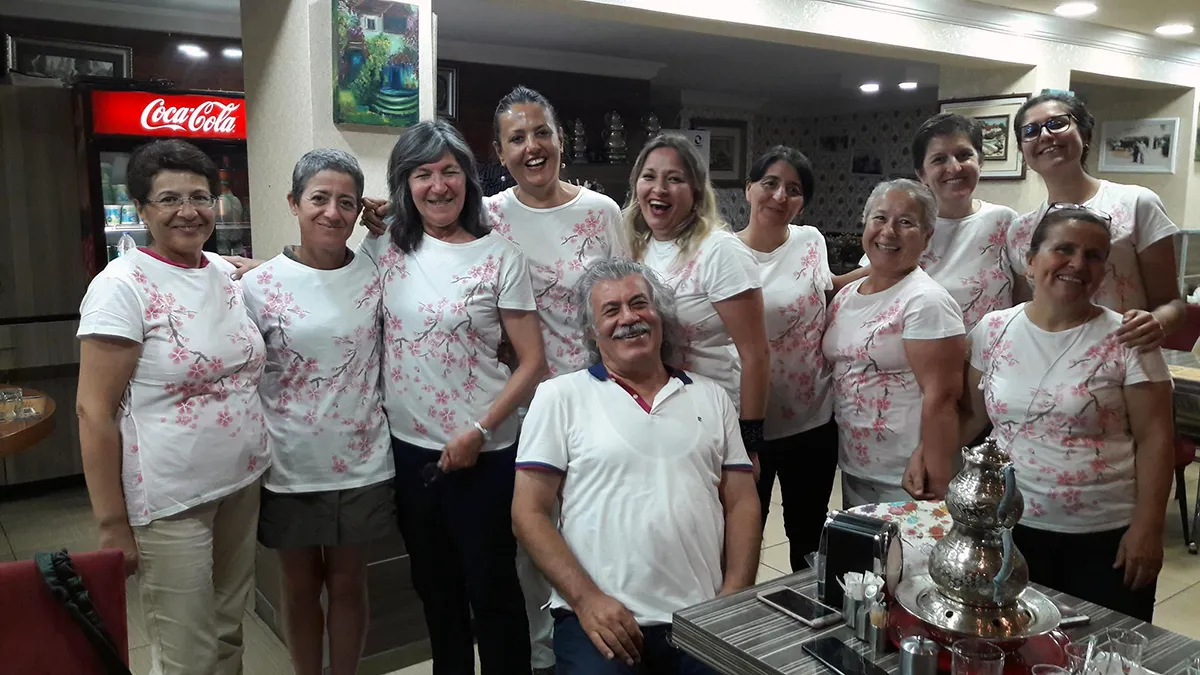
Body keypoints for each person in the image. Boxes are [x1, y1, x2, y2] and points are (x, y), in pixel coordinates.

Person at [512, 258, 761, 673]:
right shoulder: (560, 397)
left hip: (700, 618)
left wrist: (734, 595)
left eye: (639, 304)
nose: (628, 318)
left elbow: (742, 502)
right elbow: (527, 513)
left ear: (660, 316)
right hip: (597, 620)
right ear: (592, 331)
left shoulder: (711, 396)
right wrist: (587, 601)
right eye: (611, 310)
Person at [360, 119, 546, 675]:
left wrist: (480, 431)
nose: (438, 186)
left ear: (468, 178)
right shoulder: (384, 247)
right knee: (435, 589)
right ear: (404, 183)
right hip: (410, 450)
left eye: (449, 171)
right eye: (422, 174)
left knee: (492, 589)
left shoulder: (500, 255)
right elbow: (333, 288)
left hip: (486, 451)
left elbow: (532, 362)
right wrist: (262, 272)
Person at [75, 139, 267, 675]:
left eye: (200, 197)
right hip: (169, 502)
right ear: (141, 209)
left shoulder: (223, 273)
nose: (188, 211)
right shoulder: (120, 287)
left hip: (242, 483)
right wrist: (112, 523)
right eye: (169, 199)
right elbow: (93, 412)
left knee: (228, 630)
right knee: (188, 653)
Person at [960, 205, 1174, 622]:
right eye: (1064, 249)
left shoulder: (1128, 337)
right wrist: (927, 460)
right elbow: (971, 418)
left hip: (1103, 533)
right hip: (1007, 527)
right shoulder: (993, 329)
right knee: (1013, 641)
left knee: (1102, 646)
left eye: (1094, 256)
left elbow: (1156, 438)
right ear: (1030, 260)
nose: (1078, 264)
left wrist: (1148, 528)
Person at [241, 149, 393, 675]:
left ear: (359, 210)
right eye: (319, 199)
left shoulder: (376, 272)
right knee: (300, 585)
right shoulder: (257, 285)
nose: (332, 212)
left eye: (346, 202)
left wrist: (389, 212)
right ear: (294, 203)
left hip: (363, 460)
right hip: (289, 462)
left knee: (349, 582)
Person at [622, 133, 770, 459]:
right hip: (657, 416)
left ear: (696, 192)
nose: (659, 189)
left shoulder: (720, 251)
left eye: (674, 179)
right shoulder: (635, 247)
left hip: (713, 418)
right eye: (649, 177)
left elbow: (756, 355)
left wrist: (750, 443)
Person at [822, 179, 966, 506]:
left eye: (905, 222)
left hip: (909, 472)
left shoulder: (926, 302)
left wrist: (935, 469)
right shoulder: (847, 296)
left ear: (927, 236)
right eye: (880, 218)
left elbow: (943, 398)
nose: (889, 231)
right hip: (856, 464)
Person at [1008, 92, 1183, 351]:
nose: (1044, 135)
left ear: (1085, 135)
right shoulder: (1021, 230)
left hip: (1123, 356)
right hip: (1048, 360)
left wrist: (1157, 322)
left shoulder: (1137, 203)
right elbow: (1025, 310)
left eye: (1057, 123)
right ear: (1023, 152)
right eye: (1031, 131)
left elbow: (1172, 303)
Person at [735, 146, 839, 571]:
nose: (780, 196)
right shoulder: (722, 253)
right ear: (749, 189)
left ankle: (808, 611)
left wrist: (887, 271)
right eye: (770, 183)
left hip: (812, 420)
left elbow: (829, 288)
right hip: (747, 426)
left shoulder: (810, 240)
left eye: (794, 190)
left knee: (809, 538)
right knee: (743, 540)